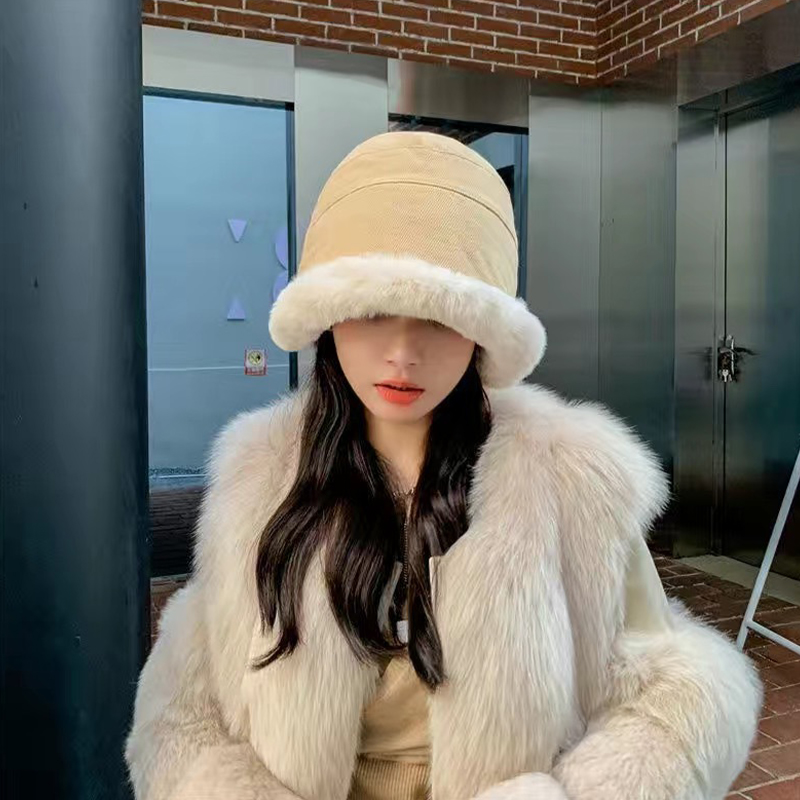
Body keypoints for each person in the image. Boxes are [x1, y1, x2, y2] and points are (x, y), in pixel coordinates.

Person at [126, 132, 761, 800]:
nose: (403, 352)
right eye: (373, 311)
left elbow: (677, 702)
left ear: (483, 331)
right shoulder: (262, 480)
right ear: (330, 316)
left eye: (440, 316)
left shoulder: (569, 479)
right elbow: (184, 711)